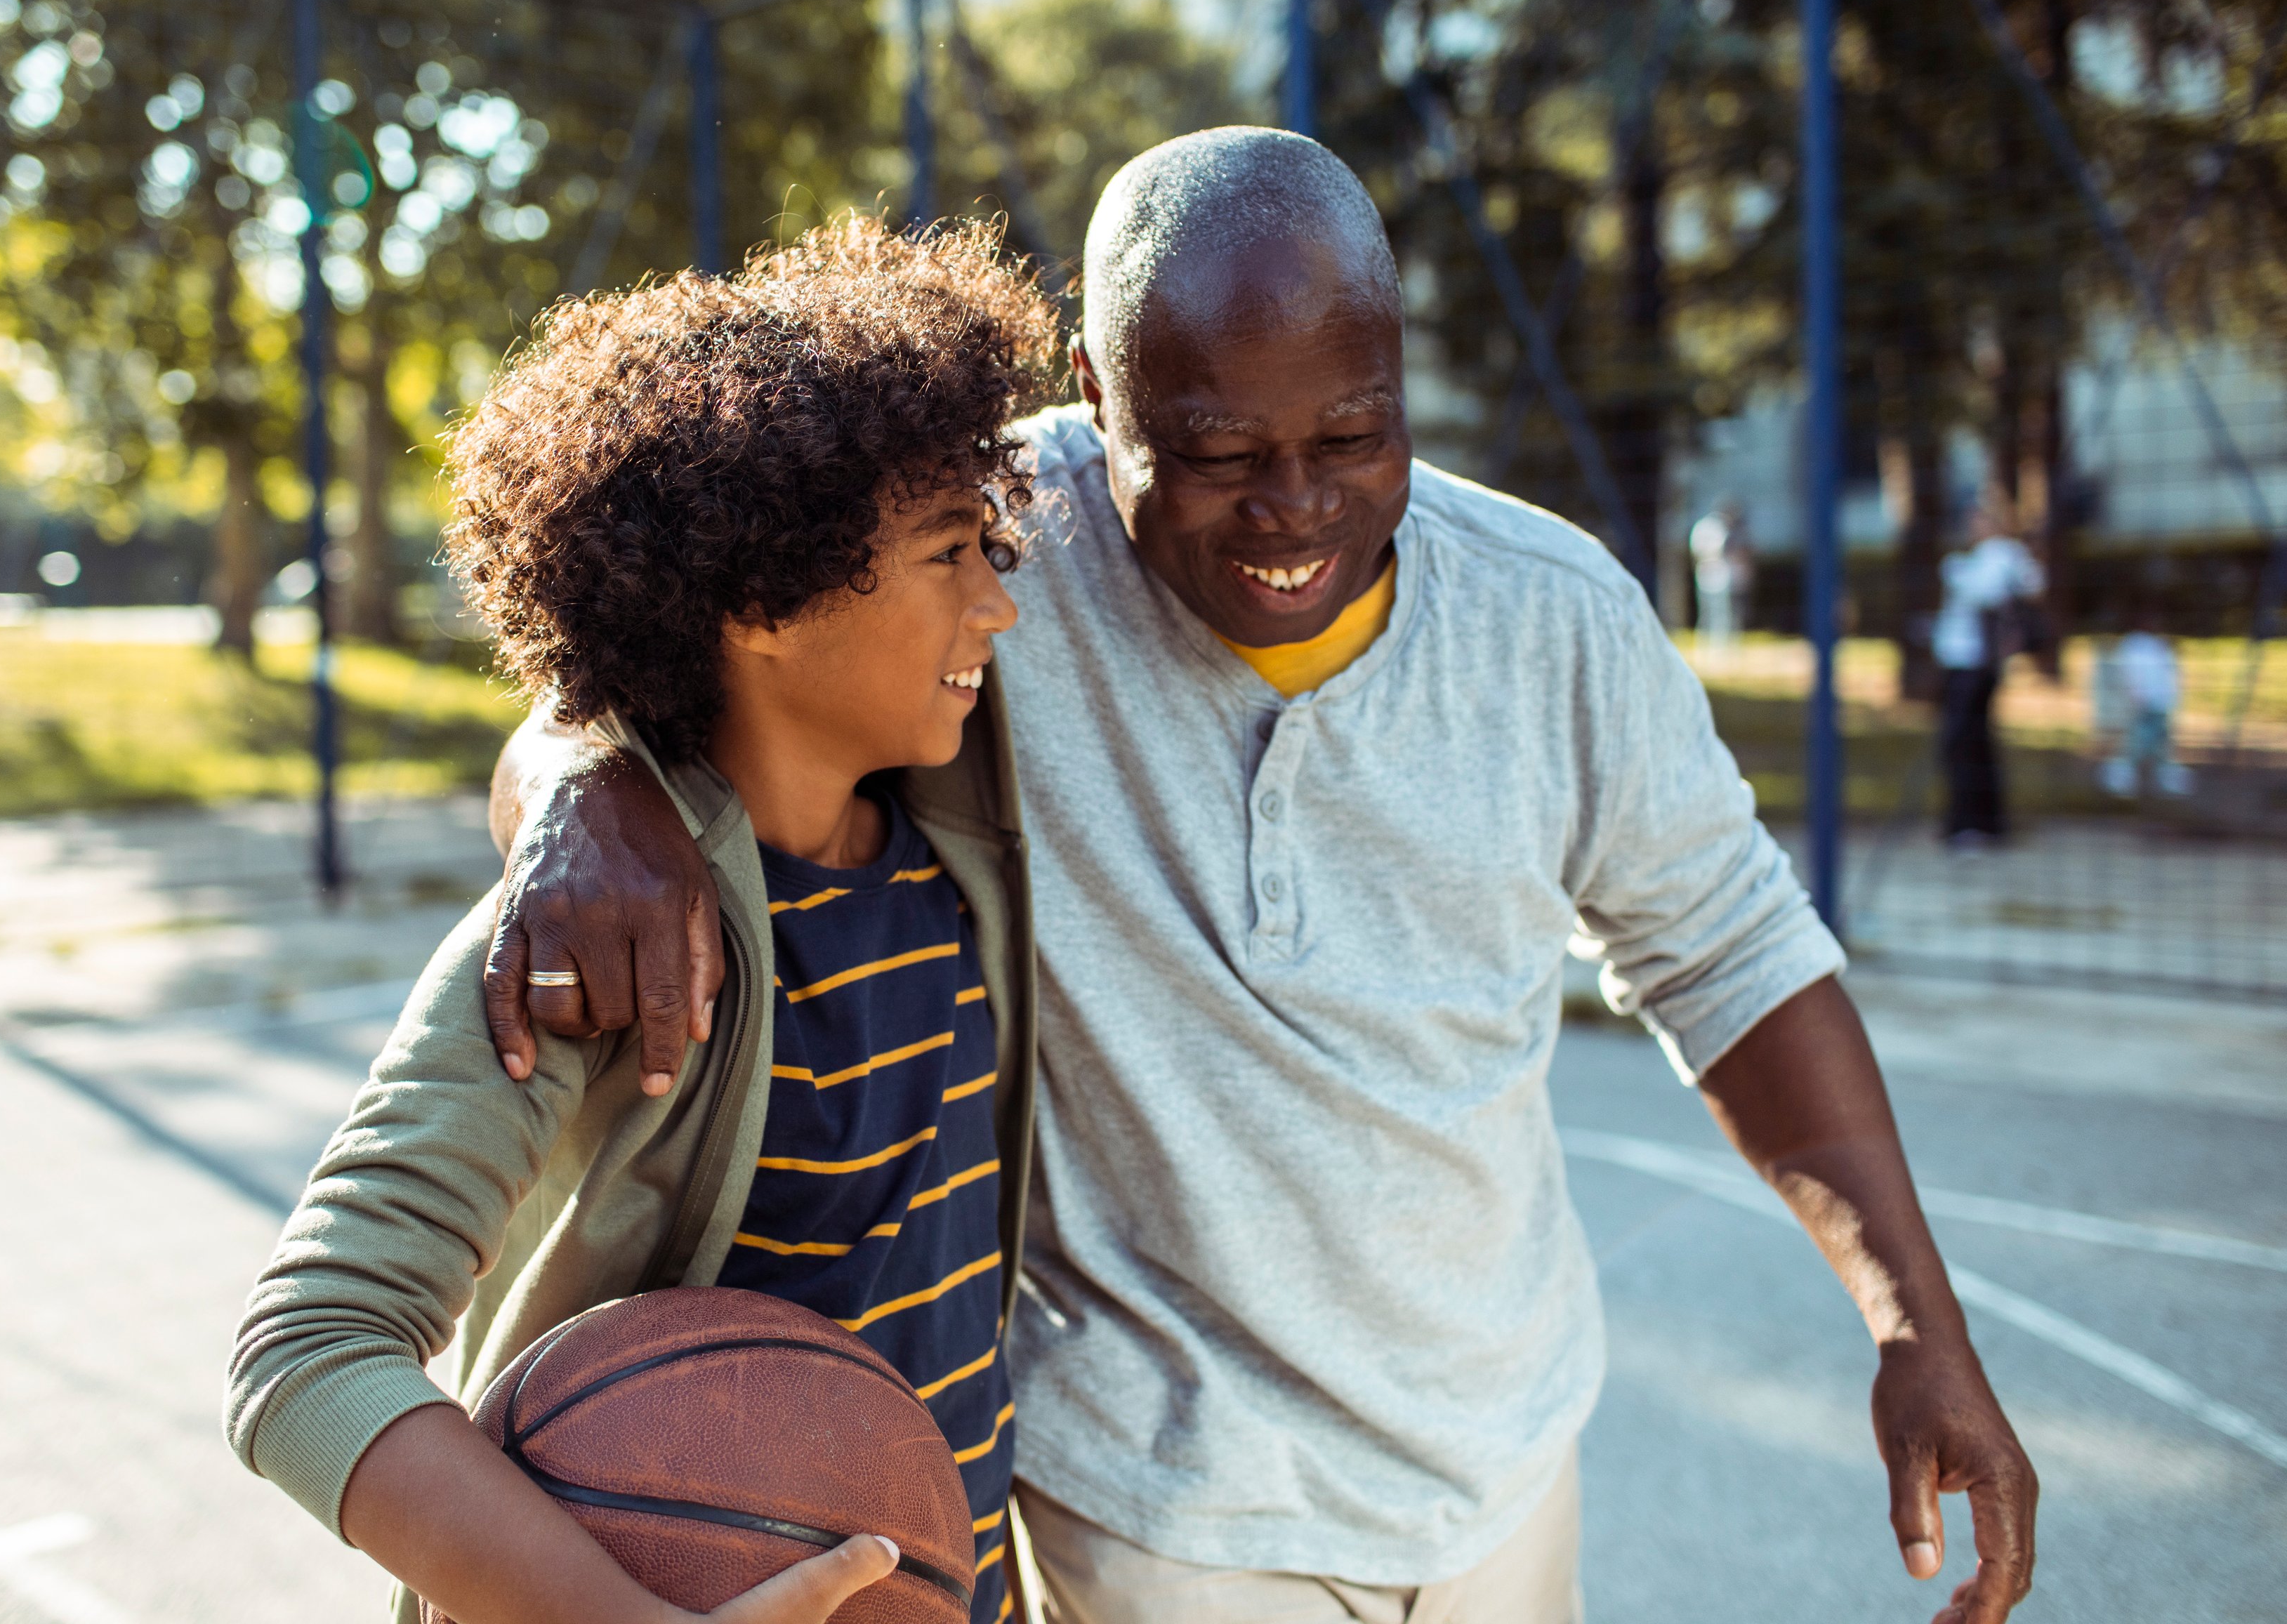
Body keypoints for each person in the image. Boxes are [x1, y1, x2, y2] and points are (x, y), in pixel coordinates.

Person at [487, 129, 2037, 1624]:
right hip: (1164, 1506)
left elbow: (1734, 953)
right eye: (1221, 453)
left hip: (1502, 1461)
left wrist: (1917, 1323)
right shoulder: (984, 564)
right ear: (1098, 398)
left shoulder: (1556, 619)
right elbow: (660, 658)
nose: (1296, 506)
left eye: (1355, 435)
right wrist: (586, 783)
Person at [224, 216, 1058, 1624]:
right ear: (761, 599)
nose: (1001, 603)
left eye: (994, 543)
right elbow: (306, 1350)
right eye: (945, 555)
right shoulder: (593, 940)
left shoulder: (957, 826)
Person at [1933, 491, 2045, 846]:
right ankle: (1986, 823)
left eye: (1978, 518)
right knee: (1975, 742)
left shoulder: (1998, 554)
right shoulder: (1998, 556)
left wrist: (1955, 571)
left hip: (1973, 663)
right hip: (1969, 662)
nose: (1972, 526)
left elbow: (1986, 593)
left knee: (1965, 744)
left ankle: (1970, 824)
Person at [2099, 610, 2188, 798]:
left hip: (2159, 704)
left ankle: (2159, 780)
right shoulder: (2135, 645)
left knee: (2158, 746)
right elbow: (2130, 674)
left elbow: (2168, 675)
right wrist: (2136, 697)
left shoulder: (2158, 646)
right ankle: (2121, 779)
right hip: (2144, 704)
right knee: (2137, 745)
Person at [1689, 501, 1752, 654]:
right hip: (1714, 575)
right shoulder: (1718, 528)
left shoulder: (1703, 527)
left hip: (1712, 575)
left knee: (1713, 613)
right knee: (1716, 613)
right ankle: (1716, 648)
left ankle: (1715, 647)